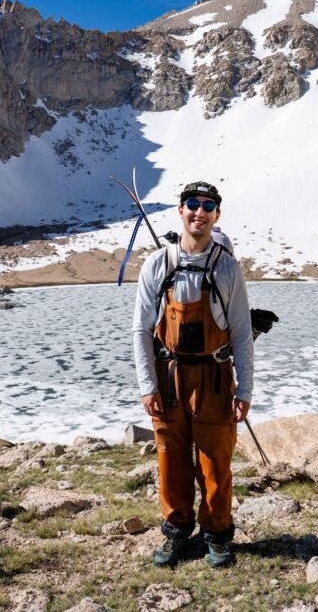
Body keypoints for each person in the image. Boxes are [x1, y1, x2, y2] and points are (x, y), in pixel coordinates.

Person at [132, 181, 253, 568]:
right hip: (168, 378)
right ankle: (176, 532)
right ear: (180, 211)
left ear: (217, 215)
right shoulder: (158, 264)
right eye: (192, 204)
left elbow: (241, 332)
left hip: (216, 378)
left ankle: (217, 534)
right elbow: (140, 330)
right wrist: (147, 384)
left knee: (216, 461)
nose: (199, 211)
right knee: (171, 457)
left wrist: (245, 388)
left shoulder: (227, 267)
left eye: (208, 205)